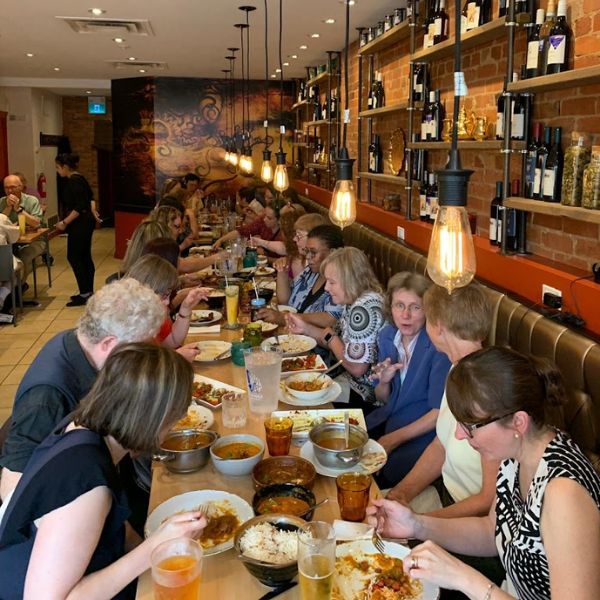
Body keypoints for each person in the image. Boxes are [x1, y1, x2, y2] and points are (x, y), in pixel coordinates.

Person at [367, 346, 600, 600]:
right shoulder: (515, 457)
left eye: (470, 426)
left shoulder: (564, 493)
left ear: (518, 423)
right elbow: (492, 529)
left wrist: (462, 577)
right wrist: (415, 524)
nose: (458, 435)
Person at [0, 343, 207, 599]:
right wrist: (155, 547)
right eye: (174, 419)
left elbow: (116, 525)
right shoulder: (87, 482)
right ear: (152, 418)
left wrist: (150, 547)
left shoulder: (87, 427)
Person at [0, 278, 165, 501]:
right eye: (140, 348)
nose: (145, 355)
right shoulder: (46, 396)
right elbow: (13, 490)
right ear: (108, 343)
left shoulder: (82, 341)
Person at [386, 283, 499, 519]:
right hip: (443, 495)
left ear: (437, 328)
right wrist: (401, 494)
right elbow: (441, 445)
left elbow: (489, 500)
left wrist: (420, 522)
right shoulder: (457, 368)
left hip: (473, 522)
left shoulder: (489, 391)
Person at [366, 273, 452, 487]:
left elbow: (437, 414)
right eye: (399, 305)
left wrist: (393, 440)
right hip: (387, 423)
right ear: (390, 307)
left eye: (415, 307)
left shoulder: (437, 348)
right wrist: (384, 381)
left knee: (381, 480)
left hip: (422, 437)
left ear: (428, 311)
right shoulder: (387, 336)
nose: (405, 315)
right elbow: (382, 398)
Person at [286, 246, 385, 411]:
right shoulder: (353, 300)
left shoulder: (363, 309)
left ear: (350, 280)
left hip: (364, 395)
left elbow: (357, 368)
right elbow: (332, 340)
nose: (326, 288)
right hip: (349, 383)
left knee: (296, 400)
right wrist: (305, 328)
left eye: (332, 282)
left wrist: (332, 338)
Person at [125, 254, 208, 361]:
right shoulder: (127, 328)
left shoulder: (150, 316)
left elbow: (173, 341)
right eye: (164, 295)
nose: (168, 301)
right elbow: (139, 370)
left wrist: (185, 309)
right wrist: (175, 358)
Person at [259, 224, 344, 328]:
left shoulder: (342, 280)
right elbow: (285, 301)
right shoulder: (310, 272)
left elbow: (331, 319)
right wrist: (282, 274)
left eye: (313, 252)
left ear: (333, 252)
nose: (308, 257)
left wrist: (286, 318)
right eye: (307, 251)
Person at [54, 153, 96, 307]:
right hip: (86, 221)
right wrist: (94, 214)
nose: (58, 171)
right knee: (84, 255)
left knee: (74, 256)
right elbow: (90, 199)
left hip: (80, 223)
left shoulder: (73, 181)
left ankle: (85, 293)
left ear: (65, 167)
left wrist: (64, 222)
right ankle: (88, 291)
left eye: (58, 167)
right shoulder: (81, 178)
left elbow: (79, 206)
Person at [0, 174, 44, 286]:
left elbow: (36, 223)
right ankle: (8, 288)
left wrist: (19, 209)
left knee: (23, 257)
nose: (10, 190)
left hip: (34, 241)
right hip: (9, 241)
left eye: (13, 187)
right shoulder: (2, 201)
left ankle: (19, 286)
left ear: (21, 187)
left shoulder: (31, 200)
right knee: (5, 258)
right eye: (6, 187)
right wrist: (8, 207)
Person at [213, 205, 283, 258]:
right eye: (265, 216)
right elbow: (242, 231)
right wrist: (221, 240)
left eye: (269, 218)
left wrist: (264, 256)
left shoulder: (284, 233)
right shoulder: (262, 222)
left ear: (279, 220)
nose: (264, 219)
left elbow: (285, 261)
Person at [0, 213, 22, 323]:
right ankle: (2, 296)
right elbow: (15, 237)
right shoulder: (2, 218)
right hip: (3, 266)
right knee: (16, 273)